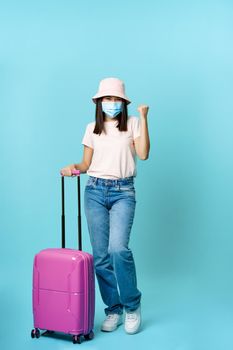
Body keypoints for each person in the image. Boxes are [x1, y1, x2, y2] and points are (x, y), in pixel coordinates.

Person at [60, 77, 150, 335]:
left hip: (123, 191)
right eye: (107, 99)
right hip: (95, 191)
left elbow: (143, 154)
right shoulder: (92, 129)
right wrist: (72, 168)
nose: (112, 103)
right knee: (100, 257)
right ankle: (114, 309)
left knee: (117, 249)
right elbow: (85, 164)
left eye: (116, 99)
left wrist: (144, 118)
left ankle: (132, 305)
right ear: (99, 103)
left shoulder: (132, 124)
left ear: (123, 103)